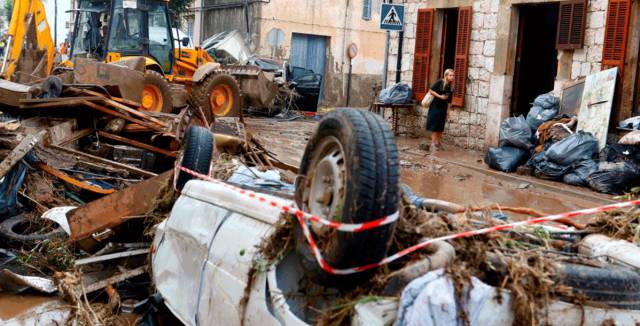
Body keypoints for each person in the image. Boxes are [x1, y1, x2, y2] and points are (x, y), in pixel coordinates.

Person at [426, 69, 454, 152]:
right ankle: (433, 144)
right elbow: (430, 90)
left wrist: (448, 112)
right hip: (435, 107)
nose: (452, 77)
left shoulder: (450, 86)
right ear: (446, 76)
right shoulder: (440, 82)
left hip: (443, 108)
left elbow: (449, 101)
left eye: (453, 75)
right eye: (450, 75)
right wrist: (440, 96)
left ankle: (438, 143)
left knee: (441, 126)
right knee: (435, 125)